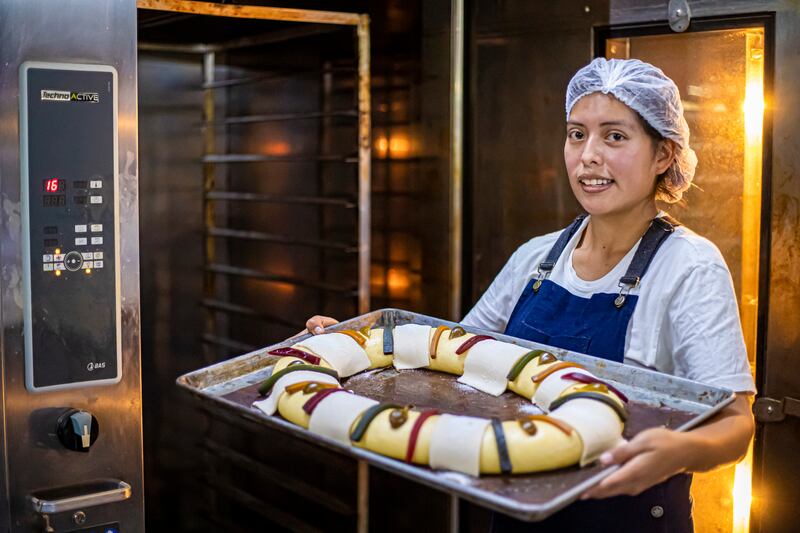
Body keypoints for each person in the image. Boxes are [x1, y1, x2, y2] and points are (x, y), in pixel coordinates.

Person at [304, 57, 755, 532]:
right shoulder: (538, 259)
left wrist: (682, 451)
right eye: (577, 134)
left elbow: (736, 426)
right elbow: (449, 357)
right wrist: (347, 347)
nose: (588, 156)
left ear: (663, 155)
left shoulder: (689, 267)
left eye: (615, 136)